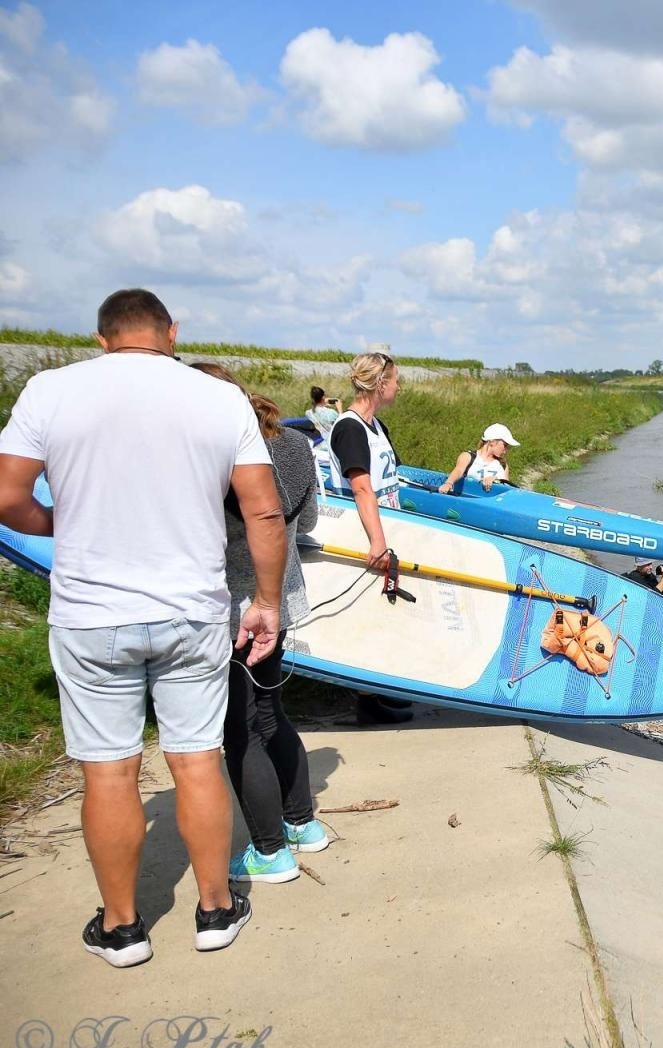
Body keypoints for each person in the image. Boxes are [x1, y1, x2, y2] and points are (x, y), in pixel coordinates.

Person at [0, 288, 283, 966]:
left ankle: (123, 929)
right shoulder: (218, 399)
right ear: (170, 333)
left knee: (109, 772)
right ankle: (215, 911)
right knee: (196, 760)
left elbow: (8, 497)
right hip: (190, 610)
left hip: (92, 615)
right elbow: (263, 513)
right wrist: (266, 601)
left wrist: (60, 524)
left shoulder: (48, 389)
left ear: (101, 339)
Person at [190, 365, 329, 885]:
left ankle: (270, 852)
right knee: (271, 713)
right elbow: (308, 523)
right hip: (282, 599)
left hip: (232, 609)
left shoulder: (209, 459)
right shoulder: (294, 445)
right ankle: (302, 825)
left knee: (240, 730)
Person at [325, 345, 413, 725]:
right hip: (363, 530)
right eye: (395, 380)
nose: (398, 387)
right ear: (380, 383)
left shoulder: (378, 426)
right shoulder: (349, 428)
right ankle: (364, 701)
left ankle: (376, 692)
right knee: (366, 613)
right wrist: (377, 541)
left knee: (384, 610)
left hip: (386, 522)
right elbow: (361, 487)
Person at [440, 423, 520, 495]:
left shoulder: (503, 465)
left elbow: (507, 490)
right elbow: (458, 471)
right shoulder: (468, 457)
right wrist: (449, 483)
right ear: (492, 441)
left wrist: (496, 480)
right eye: (505, 445)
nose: (505, 450)